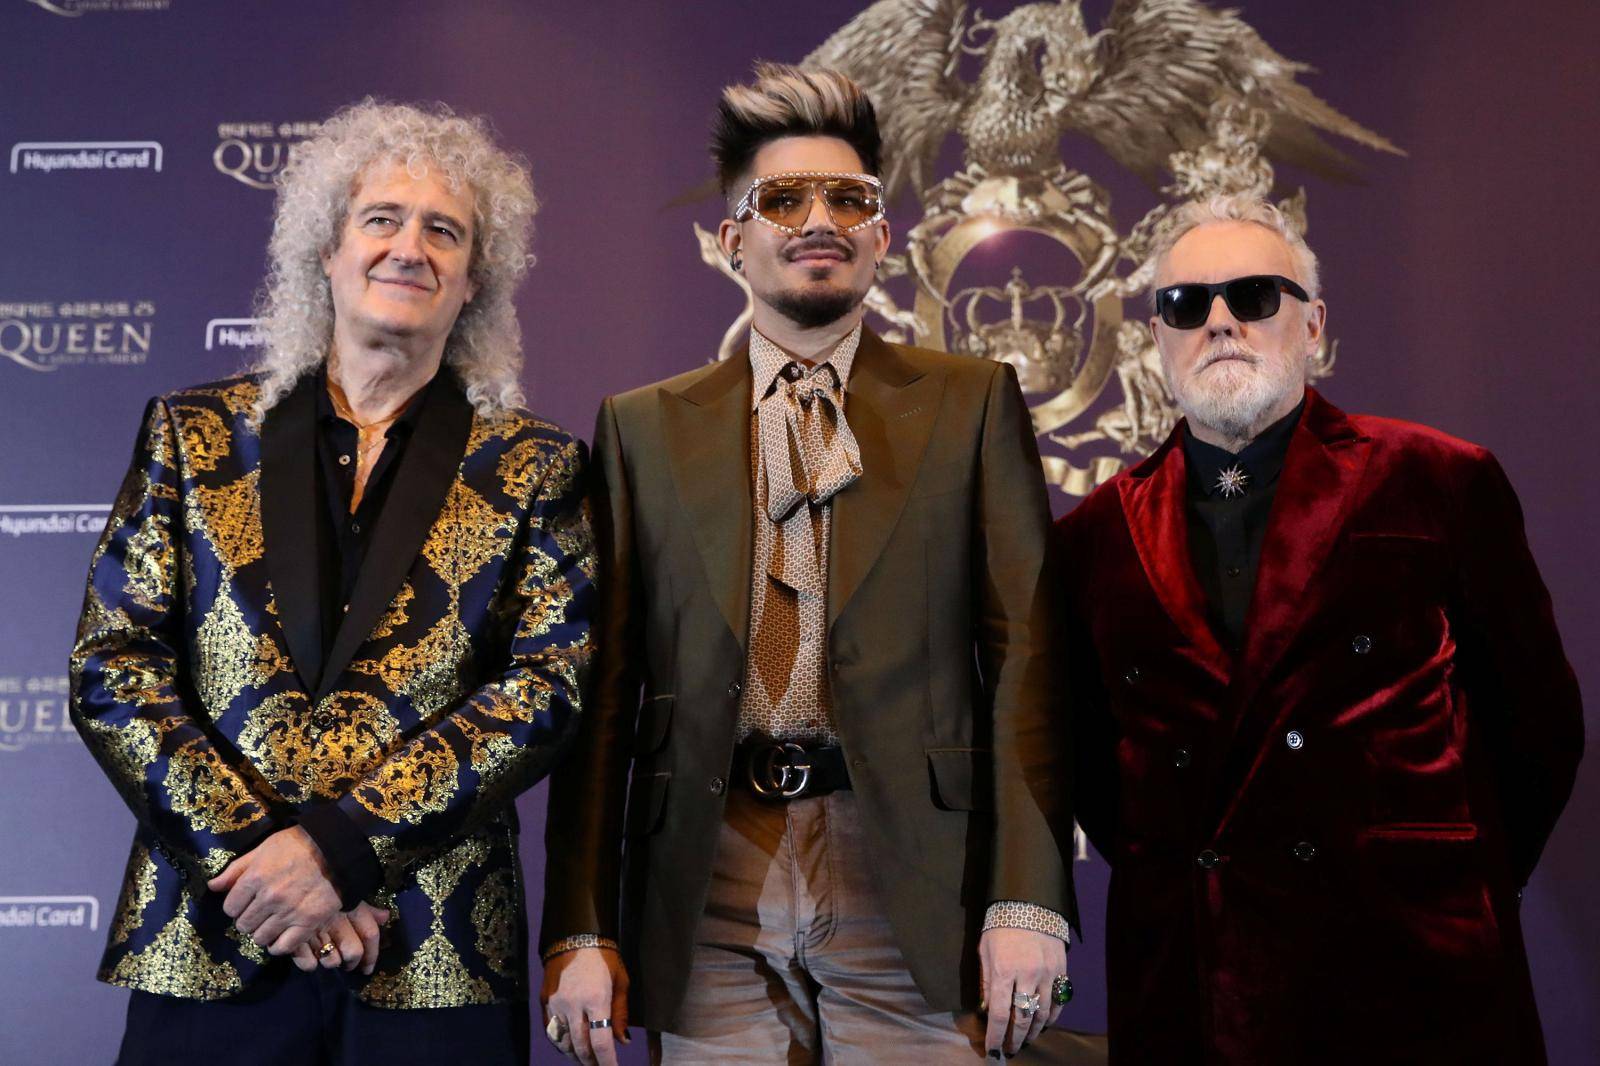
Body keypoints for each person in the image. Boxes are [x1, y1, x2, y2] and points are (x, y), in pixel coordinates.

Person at [539, 64, 1078, 1064]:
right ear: (729, 239)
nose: (818, 218)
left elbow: (1024, 665)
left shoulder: (971, 401)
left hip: (913, 878)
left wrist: (1027, 899)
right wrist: (580, 926)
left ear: (881, 235)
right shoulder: (639, 428)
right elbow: (602, 698)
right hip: (707, 878)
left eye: (849, 198)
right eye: (781, 199)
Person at [68, 99, 594, 1066]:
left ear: (476, 277)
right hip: (214, 935)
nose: (410, 248)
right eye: (382, 219)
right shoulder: (193, 436)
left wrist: (339, 854)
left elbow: (547, 690)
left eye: (445, 230)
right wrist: (264, 871)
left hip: (434, 949)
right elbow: (115, 666)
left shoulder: (538, 466)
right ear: (327, 248)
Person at [1055, 192, 1584, 1064]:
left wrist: (1450, 877)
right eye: (1186, 305)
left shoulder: (1439, 480)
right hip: (1195, 978)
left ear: (1314, 325)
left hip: (1413, 971)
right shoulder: (1093, 537)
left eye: (1255, 296)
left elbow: (1538, 724)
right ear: (1155, 338)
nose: (1220, 322)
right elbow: (1089, 766)